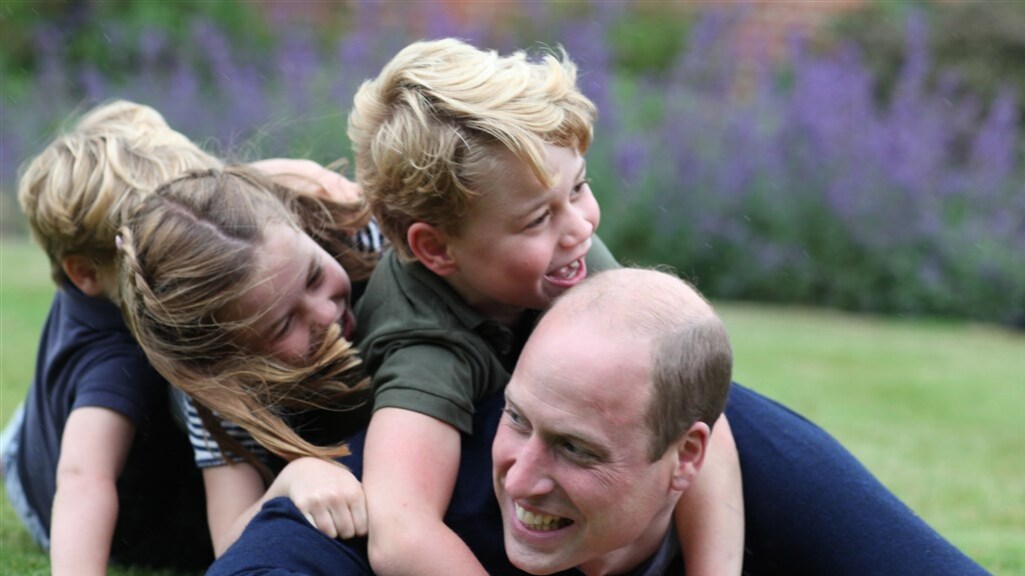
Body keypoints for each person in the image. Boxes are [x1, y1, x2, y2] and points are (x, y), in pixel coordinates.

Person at [207, 268, 990, 576]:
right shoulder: (405, 484)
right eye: (518, 418)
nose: (521, 473)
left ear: (686, 456)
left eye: (577, 449)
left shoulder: (760, 462)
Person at [346, 38, 743, 576]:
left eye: (578, 188)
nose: (579, 227)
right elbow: (399, 534)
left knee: (703, 392)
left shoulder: (561, 249)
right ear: (436, 249)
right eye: (537, 220)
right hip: (507, 504)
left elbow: (699, 416)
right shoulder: (424, 345)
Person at [116, 164, 383, 555]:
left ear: (300, 224)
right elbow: (228, 540)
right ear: (227, 360)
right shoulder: (222, 393)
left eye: (312, 276)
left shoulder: (367, 239)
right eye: (283, 325)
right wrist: (292, 478)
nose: (326, 314)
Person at [2, 99, 220, 574]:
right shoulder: (119, 364)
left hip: (31, 443)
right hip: (50, 498)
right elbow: (83, 481)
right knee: (89, 428)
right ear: (86, 273)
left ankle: (31, 429)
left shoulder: (101, 280)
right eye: (162, 253)